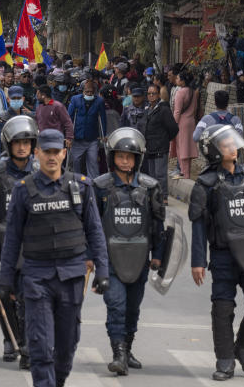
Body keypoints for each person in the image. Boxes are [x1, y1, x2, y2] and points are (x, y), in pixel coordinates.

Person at [0, 128, 110, 387]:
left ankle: (56, 381)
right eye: (46, 151)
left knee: (67, 346)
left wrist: (103, 271)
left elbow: (95, 231)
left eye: (55, 152)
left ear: (64, 152)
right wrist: (5, 280)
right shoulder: (23, 190)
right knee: (40, 344)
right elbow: (12, 238)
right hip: (36, 276)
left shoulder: (81, 186)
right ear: (38, 153)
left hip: (71, 276)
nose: (51, 157)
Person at [188, 125, 244, 381]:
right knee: (222, 308)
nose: (232, 148)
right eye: (225, 144)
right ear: (213, 151)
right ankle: (225, 361)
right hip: (223, 255)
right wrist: (197, 261)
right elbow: (199, 225)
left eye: (233, 143)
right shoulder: (205, 184)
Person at [93, 128, 165, 376]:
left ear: (137, 159)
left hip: (139, 259)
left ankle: (128, 347)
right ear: (112, 157)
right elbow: (91, 225)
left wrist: (158, 256)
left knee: (133, 309)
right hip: (109, 260)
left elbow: (157, 226)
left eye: (129, 157)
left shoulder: (150, 187)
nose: (125, 161)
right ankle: (118, 354)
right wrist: (90, 258)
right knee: (116, 305)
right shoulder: (99, 187)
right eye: (120, 156)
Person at [0, 115, 38, 369]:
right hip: (2, 245)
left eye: (26, 142)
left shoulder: (40, 172)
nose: (22, 147)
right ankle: (9, 337)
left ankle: (26, 344)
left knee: (29, 295)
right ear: (8, 144)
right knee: (5, 292)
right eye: (17, 142)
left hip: (33, 246)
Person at [67, 80, 107, 178]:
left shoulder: (99, 101)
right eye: (87, 92)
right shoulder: (75, 99)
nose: (89, 94)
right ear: (83, 91)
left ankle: (93, 184)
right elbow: (69, 118)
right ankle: (78, 181)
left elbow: (103, 119)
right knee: (75, 161)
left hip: (92, 137)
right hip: (77, 137)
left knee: (93, 161)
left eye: (91, 92)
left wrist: (103, 135)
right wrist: (68, 136)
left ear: (95, 92)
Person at [0, 85, 34, 161]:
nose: (16, 101)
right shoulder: (1, 119)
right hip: (7, 160)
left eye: (19, 98)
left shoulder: (28, 118)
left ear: (23, 99)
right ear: (8, 99)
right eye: (13, 98)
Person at [172, 70, 198, 178]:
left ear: (183, 81)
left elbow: (177, 111)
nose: (176, 80)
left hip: (181, 122)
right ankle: (186, 173)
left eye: (178, 78)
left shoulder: (180, 92)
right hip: (191, 121)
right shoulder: (193, 91)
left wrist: (173, 124)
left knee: (181, 148)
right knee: (187, 148)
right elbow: (196, 108)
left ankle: (184, 173)